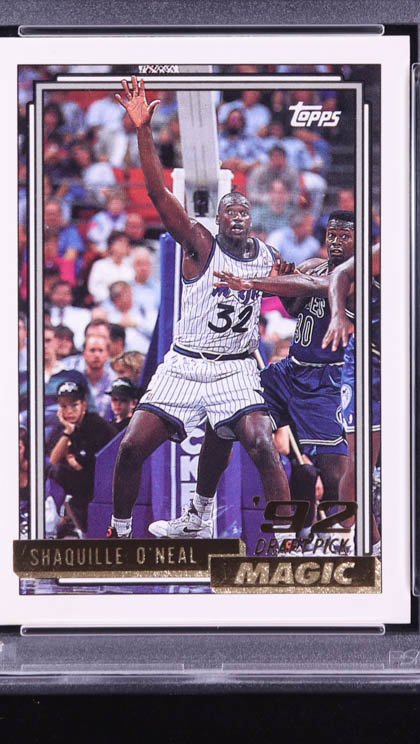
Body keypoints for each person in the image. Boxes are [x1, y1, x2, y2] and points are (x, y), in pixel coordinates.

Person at [107, 76, 290, 540]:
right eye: (229, 211)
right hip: (186, 364)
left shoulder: (268, 256)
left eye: (244, 210)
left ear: (252, 218)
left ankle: (284, 541)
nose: (237, 215)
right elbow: (157, 194)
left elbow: (295, 293)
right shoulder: (199, 243)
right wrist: (143, 131)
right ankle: (119, 533)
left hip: (236, 368)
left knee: (261, 444)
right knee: (131, 447)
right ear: (219, 219)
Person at [213, 212, 356, 552]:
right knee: (230, 405)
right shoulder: (313, 265)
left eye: (344, 236)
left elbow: (315, 287)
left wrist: (254, 282)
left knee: (334, 473)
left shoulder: (359, 278)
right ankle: (208, 505)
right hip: (290, 370)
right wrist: (283, 276)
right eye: (332, 235)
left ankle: (343, 540)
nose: (336, 241)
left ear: (359, 242)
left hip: (327, 379)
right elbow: (294, 306)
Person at [322, 243, 382, 555]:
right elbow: (340, 275)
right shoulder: (386, 252)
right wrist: (337, 316)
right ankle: (347, 538)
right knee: (360, 459)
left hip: (410, 364)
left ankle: (376, 541)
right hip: (367, 364)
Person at [47, 377, 117, 536]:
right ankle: (61, 520)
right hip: (85, 486)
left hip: (104, 486)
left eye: (74, 405)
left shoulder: (95, 425)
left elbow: (82, 466)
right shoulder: (67, 428)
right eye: (64, 406)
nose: (69, 411)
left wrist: (72, 460)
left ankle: (76, 526)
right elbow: (54, 459)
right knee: (54, 471)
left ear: (84, 405)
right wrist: (67, 432)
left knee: (61, 473)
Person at [82, 333, 116, 421]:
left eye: (101, 350)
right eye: (92, 350)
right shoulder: (77, 379)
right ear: (84, 354)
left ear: (108, 354)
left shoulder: (114, 381)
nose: (97, 355)